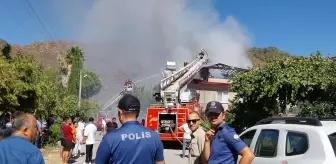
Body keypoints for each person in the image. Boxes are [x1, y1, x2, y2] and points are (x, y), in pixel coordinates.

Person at [95, 94, 165, 164]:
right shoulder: (154, 136)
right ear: (138, 112)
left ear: (120, 112)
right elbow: (160, 162)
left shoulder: (109, 138)